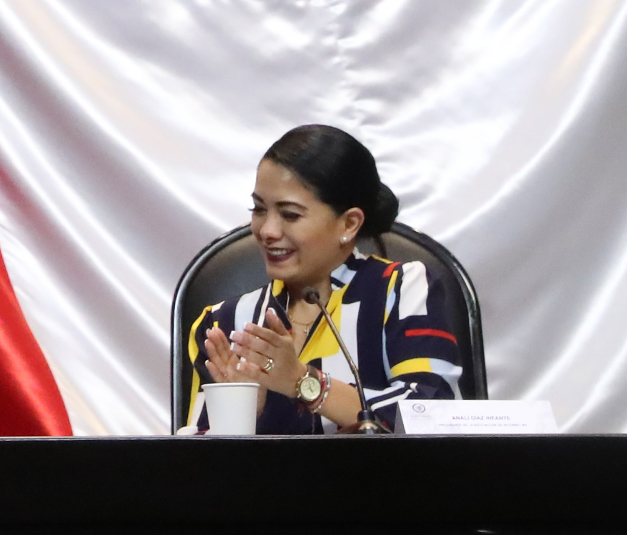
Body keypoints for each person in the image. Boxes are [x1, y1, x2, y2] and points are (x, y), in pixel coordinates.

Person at [182, 124, 464, 433]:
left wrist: (303, 381)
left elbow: (432, 414)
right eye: (259, 209)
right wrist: (245, 413)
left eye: (290, 215)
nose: (267, 231)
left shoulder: (401, 290)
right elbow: (195, 454)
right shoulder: (224, 323)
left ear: (349, 224)